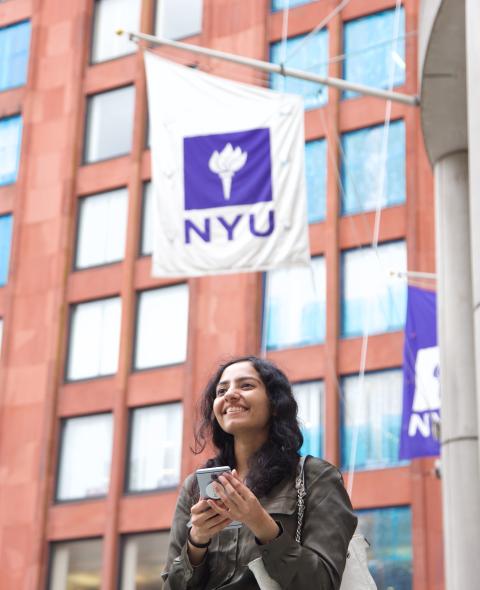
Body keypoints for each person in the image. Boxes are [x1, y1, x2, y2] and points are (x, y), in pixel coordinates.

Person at [162, 356, 357, 589]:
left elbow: (322, 582)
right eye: (221, 390)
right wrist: (197, 541)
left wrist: (260, 522)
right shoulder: (195, 486)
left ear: (275, 404)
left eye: (246, 385)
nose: (230, 395)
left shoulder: (316, 476)